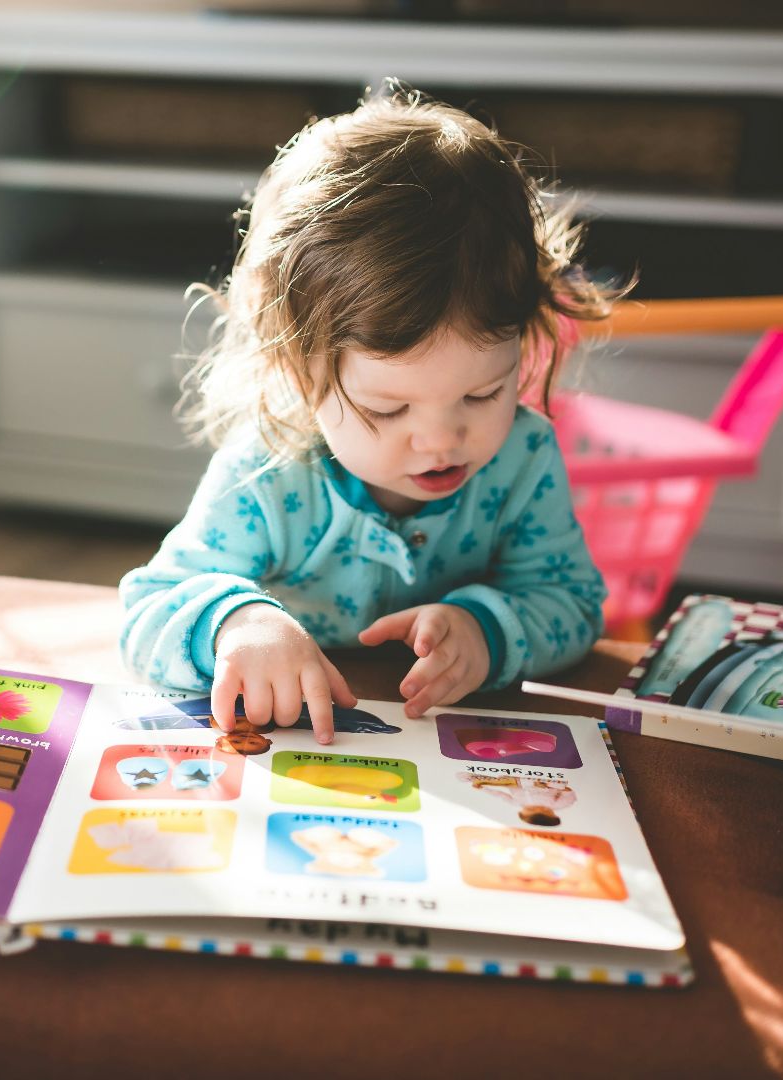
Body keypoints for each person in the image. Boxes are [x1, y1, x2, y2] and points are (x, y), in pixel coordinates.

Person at [118, 89, 613, 744]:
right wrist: (238, 624)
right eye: (388, 407)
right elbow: (148, 607)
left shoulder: (522, 460)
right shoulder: (267, 471)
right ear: (297, 371)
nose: (442, 439)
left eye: (483, 394)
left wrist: (485, 630)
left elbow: (572, 605)